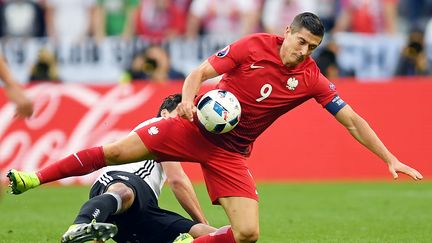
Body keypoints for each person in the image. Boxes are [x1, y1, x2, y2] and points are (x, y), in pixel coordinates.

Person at [8, 13, 423, 243]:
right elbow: (199, 72)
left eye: (311, 47)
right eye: (300, 42)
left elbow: (351, 118)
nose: (304, 52)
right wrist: (188, 101)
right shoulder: (251, 46)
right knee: (116, 152)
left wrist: (389, 157)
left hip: (230, 152)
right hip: (193, 128)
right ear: (287, 33)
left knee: (247, 234)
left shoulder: (312, 78)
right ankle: (33, 178)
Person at [60, 94, 216, 243]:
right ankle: (81, 224)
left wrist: (203, 225)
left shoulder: (170, 138)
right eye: (180, 113)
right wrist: (202, 219)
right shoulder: (162, 127)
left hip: (144, 209)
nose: (185, 121)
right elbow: (177, 181)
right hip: (120, 181)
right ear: (164, 113)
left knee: (206, 233)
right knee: (125, 193)